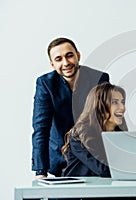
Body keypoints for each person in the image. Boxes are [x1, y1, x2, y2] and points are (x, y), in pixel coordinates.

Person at [32, 37, 109, 179]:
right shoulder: (45, 84)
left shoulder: (99, 78)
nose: (66, 63)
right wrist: (40, 171)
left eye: (69, 56)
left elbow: (107, 122)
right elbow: (41, 129)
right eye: (58, 59)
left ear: (78, 55)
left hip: (95, 160)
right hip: (61, 161)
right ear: (52, 64)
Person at [61, 83, 127, 177]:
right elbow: (103, 169)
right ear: (100, 106)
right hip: (81, 190)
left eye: (123, 102)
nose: (122, 108)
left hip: (106, 188)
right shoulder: (80, 135)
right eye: (115, 102)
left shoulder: (119, 132)